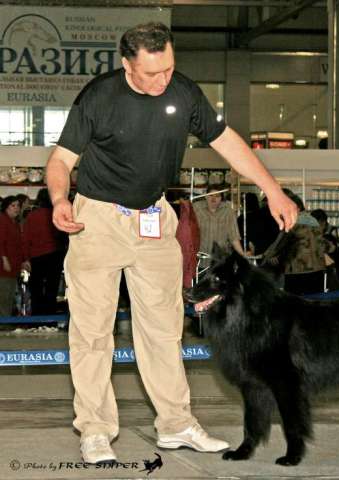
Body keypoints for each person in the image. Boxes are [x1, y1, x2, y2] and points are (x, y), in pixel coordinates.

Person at [45, 22, 298, 465]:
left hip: (153, 219)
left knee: (164, 330)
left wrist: (273, 189)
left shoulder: (183, 92)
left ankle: (176, 423)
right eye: (151, 74)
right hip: (96, 220)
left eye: (169, 69)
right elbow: (60, 160)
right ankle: (96, 430)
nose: (163, 81)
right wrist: (59, 199)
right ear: (127, 65)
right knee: (92, 333)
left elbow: (228, 143)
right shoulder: (99, 97)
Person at [22, 189, 66, 316]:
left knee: (36, 289)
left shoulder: (32, 216)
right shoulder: (56, 214)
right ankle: (50, 317)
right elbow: (63, 236)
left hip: (36, 256)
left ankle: (36, 318)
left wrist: (26, 258)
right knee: (52, 289)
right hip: (54, 254)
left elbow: (26, 238)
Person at [193, 184, 244, 269]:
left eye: (217, 196)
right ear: (205, 196)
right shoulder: (196, 208)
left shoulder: (228, 211)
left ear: (221, 198)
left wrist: (242, 256)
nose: (213, 199)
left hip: (221, 262)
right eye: (210, 195)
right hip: (199, 259)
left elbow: (234, 237)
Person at [0, 196, 27, 316]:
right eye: (13, 205)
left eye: (18, 206)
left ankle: (6, 320)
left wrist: (23, 261)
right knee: (4, 294)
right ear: (6, 207)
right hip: (4, 266)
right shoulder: (2, 220)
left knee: (10, 294)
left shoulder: (15, 223)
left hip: (13, 265)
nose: (16, 208)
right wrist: (4, 260)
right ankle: (3, 322)